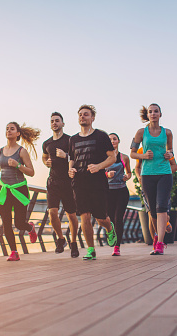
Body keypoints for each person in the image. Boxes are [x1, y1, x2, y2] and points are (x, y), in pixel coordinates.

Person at [68, 104, 117, 260]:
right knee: (85, 216)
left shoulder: (101, 136)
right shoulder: (73, 139)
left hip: (97, 182)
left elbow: (112, 157)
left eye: (86, 114)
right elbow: (72, 159)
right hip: (79, 182)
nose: (83, 116)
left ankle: (110, 228)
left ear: (93, 118)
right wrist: (71, 170)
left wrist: (99, 166)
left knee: (101, 217)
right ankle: (91, 250)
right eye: (80, 114)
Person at [0, 122, 41, 261]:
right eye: (7, 129)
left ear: (18, 133)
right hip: (4, 190)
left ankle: (30, 228)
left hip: (19, 190)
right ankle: (14, 252)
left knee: (19, 223)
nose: (8, 131)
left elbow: (31, 172)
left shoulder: (21, 151)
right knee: (6, 223)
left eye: (12, 129)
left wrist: (18, 165)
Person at [130, 103, 174, 255]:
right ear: (147, 115)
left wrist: (170, 154)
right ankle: (157, 236)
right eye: (150, 112)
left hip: (164, 173)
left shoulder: (167, 132)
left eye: (156, 111)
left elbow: (171, 150)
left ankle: (161, 243)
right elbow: (132, 153)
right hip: (147, 174)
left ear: (160, 114)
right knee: (153, 212)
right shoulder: (141, 132)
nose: (153, 114)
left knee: (161, 207)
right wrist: (143, 156)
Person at [42, 112, 80, 257]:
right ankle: (60, 238)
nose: (54, 123)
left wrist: (66, 156)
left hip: (68, 182)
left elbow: (77, 157)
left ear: (63, 124)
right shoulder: (47, 143)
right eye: (52, 121)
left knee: (71, 215)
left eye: (57, 121)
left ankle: (74, 242)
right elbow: (44, 157)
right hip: (53, 182)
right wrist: (46, 163)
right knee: (52, 213)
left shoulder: (70, 140)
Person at [134, 146, 176, 250]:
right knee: (151, 214)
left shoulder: (165, 148)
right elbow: (137, 167)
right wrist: (139, 176)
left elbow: (175, 166)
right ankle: (156, 242)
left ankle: (166, 221)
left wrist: (164, 172)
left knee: (163, 211)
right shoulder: (141, 150)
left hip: (163, 183)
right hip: (147, 183)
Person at [106, 133, 131, 256]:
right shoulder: (103, 157)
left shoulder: (124, 157)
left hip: (121, 190)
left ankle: (117, 247)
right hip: (108, 192)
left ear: (118, 141)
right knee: (110, 219)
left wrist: (127, 177)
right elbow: (97, 173)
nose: (112, 141)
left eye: (114, 139)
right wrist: (106, 175)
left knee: (118, 219)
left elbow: (129, 172)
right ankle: (112, 237)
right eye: (109, 139)